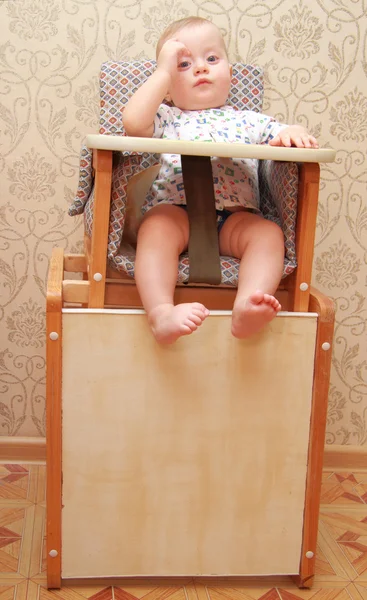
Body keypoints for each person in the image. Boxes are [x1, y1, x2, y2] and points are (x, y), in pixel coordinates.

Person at [123, 16, 318, 344]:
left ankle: (247, 305)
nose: (201, 68)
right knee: (155, 228)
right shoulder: (168, 117)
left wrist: (292, 132)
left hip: (235, 218)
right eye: (184, 65)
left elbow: (279, 133)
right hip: (176, 211)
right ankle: (160, 314)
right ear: (168, 89)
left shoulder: (248, 120)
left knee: (268, 234)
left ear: (229, 73)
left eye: (212, 59)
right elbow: (132, 123)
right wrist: (161, 72)